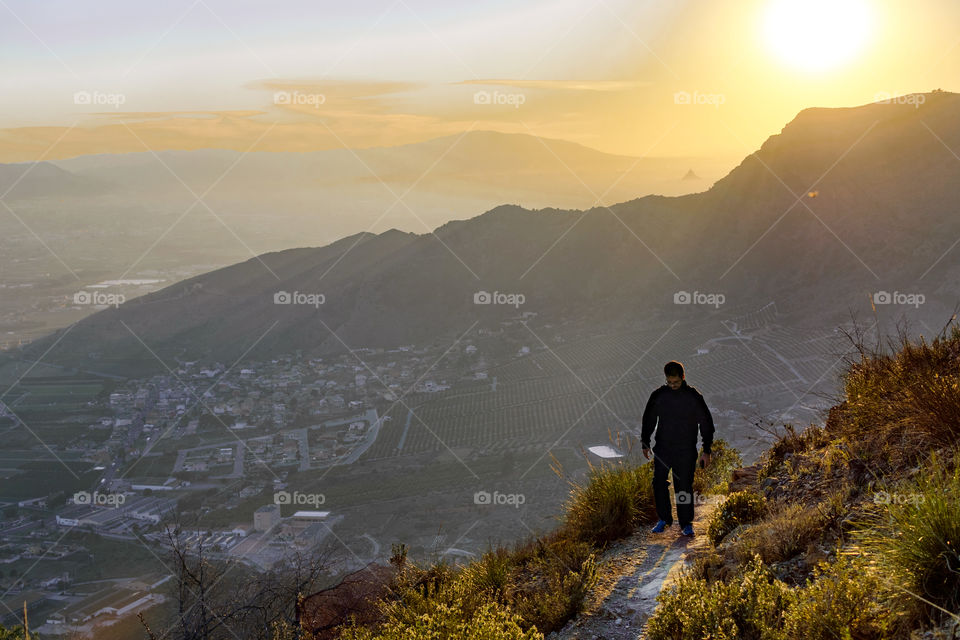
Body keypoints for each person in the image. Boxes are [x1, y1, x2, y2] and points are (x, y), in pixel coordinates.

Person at [641, 360, 715, 536]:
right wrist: (645, 442)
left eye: (676, 382)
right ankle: (664, 519)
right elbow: (649, 419)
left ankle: (686, 524)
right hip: (663, 448)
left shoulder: (693, 396)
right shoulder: (659, 395)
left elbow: (706, 424)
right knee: (659, 483)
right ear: (666, 379)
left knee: (684, 486)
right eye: (669, 382)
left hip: (686, 449)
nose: (673, 386)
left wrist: (707, 450)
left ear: (683, 377)